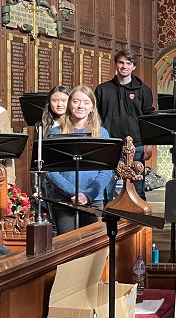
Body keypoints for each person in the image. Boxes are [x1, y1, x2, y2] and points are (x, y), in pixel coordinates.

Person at [44, 86, 115, 236]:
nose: (80, 106)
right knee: (67, 246)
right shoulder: (56, 132)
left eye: (86, 102)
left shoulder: (101, 133)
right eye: (76, 101)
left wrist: (88, 194)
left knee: (91, 247)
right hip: (64, 199)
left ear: (92, 107)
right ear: (70, 104)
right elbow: (50, 170)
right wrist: (73, 192)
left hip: (93, 199)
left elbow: (106, 169)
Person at [95, 49, 155, 197]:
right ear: (116, 64)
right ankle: (108, 220)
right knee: (107, 189)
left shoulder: (143, 90)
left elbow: (148, 118)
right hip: (110, 143)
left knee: (138, 189)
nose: (124, 66)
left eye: (129, 63)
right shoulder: (103, 89)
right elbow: (96, 117)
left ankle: (138, 220)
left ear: (134, 66)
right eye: (121, 62)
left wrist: (150, 143)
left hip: (137, 144)